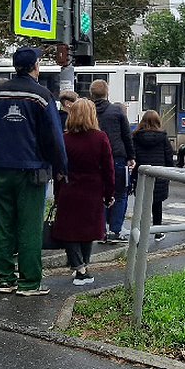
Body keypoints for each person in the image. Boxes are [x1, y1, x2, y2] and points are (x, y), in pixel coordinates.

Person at [0, 47, 68, 297]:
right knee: (29, 226)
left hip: (0, 168)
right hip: (32, 170)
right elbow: (53, 136)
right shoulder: (41, 96)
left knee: (4, 224)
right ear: (35, 66)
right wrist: (61, 167)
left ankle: (5, 279)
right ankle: (29, 282)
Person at [52, 99, 115, 286]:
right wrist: (109, 193)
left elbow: (58, 169)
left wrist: (57, 193)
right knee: (88, 230)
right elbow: (108, 169)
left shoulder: (64, 139)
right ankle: (82, 268)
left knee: (69, 231)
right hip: (93, 190)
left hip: (69, 189)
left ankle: (80, 267)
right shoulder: (101, 137)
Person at [90, 79, 136, 243]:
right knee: (120, 193)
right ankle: (115, 230)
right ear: (107, 92)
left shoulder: (89, 111)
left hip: (95, 159)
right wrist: (131, 157)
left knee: (99, 194)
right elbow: (126, 136)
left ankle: (100, 230)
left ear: (91, 94)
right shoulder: (117, 112)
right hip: (117, 157)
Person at [132, 110, 174, 242]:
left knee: (142, 206)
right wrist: (168, 173)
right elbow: (169, 158)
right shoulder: (163, 138)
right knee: (157, 205)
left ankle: (139, 232)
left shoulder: (135, 137)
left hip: (142, 175)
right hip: (158, 176)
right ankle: (158, 232)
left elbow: (133, 156)